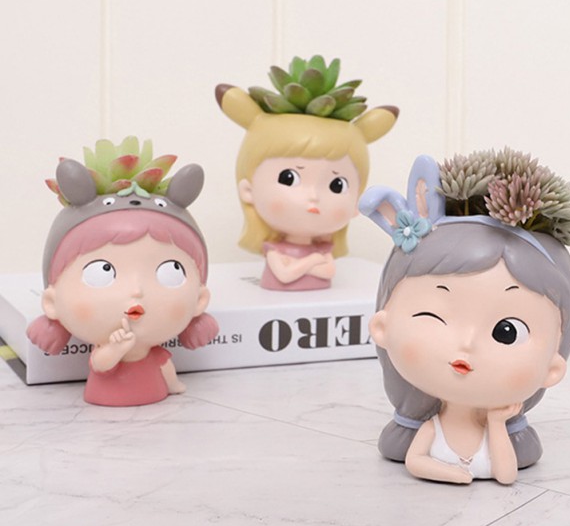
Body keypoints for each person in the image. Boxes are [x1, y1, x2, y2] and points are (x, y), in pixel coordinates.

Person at [360, 152, 570, 485]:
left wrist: (497, 423)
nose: (466, 344)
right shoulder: (429, 430)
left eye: (506, 332)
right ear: (382, 326)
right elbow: (416, 461)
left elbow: (506, 475)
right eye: (433, 316)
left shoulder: (491, 430)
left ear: (553, 368)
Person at [27, 143, 218, 405]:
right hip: (103, 403)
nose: (136, 290)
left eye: (170, 271)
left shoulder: (155, 352)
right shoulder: (106, 347)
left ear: (200, 299)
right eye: (102, 272)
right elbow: (101, 365)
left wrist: (175, 385)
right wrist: (115, 350)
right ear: (51, 302)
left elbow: (166, 369)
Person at [216, 57, 397, 290]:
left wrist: (304, 265)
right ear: (248, 190)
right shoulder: (278, 249)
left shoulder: (323, 249)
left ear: (356, 203)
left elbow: (326, 271)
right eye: (289, 178)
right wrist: (312, 262)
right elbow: (284, 275)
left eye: (337, 185)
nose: (314, 196)